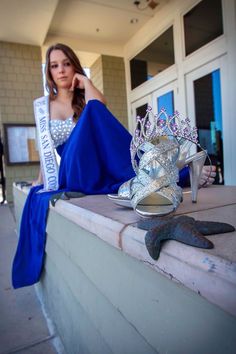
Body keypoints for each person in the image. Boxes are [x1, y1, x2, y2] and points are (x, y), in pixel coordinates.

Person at [12, 43, 216, 289]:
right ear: (49, 72)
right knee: (93, 112)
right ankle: (173, 174)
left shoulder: (84, 99)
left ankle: (162, 174)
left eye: (67, 64)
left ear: (74, 66)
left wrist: (84, 82)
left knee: (95, 111)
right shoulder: (44, 106)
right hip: (71, 168)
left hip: (92, 164)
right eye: (54, 66)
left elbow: (99, 107)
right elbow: (46, 151)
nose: (61, 70)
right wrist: (38, 181)